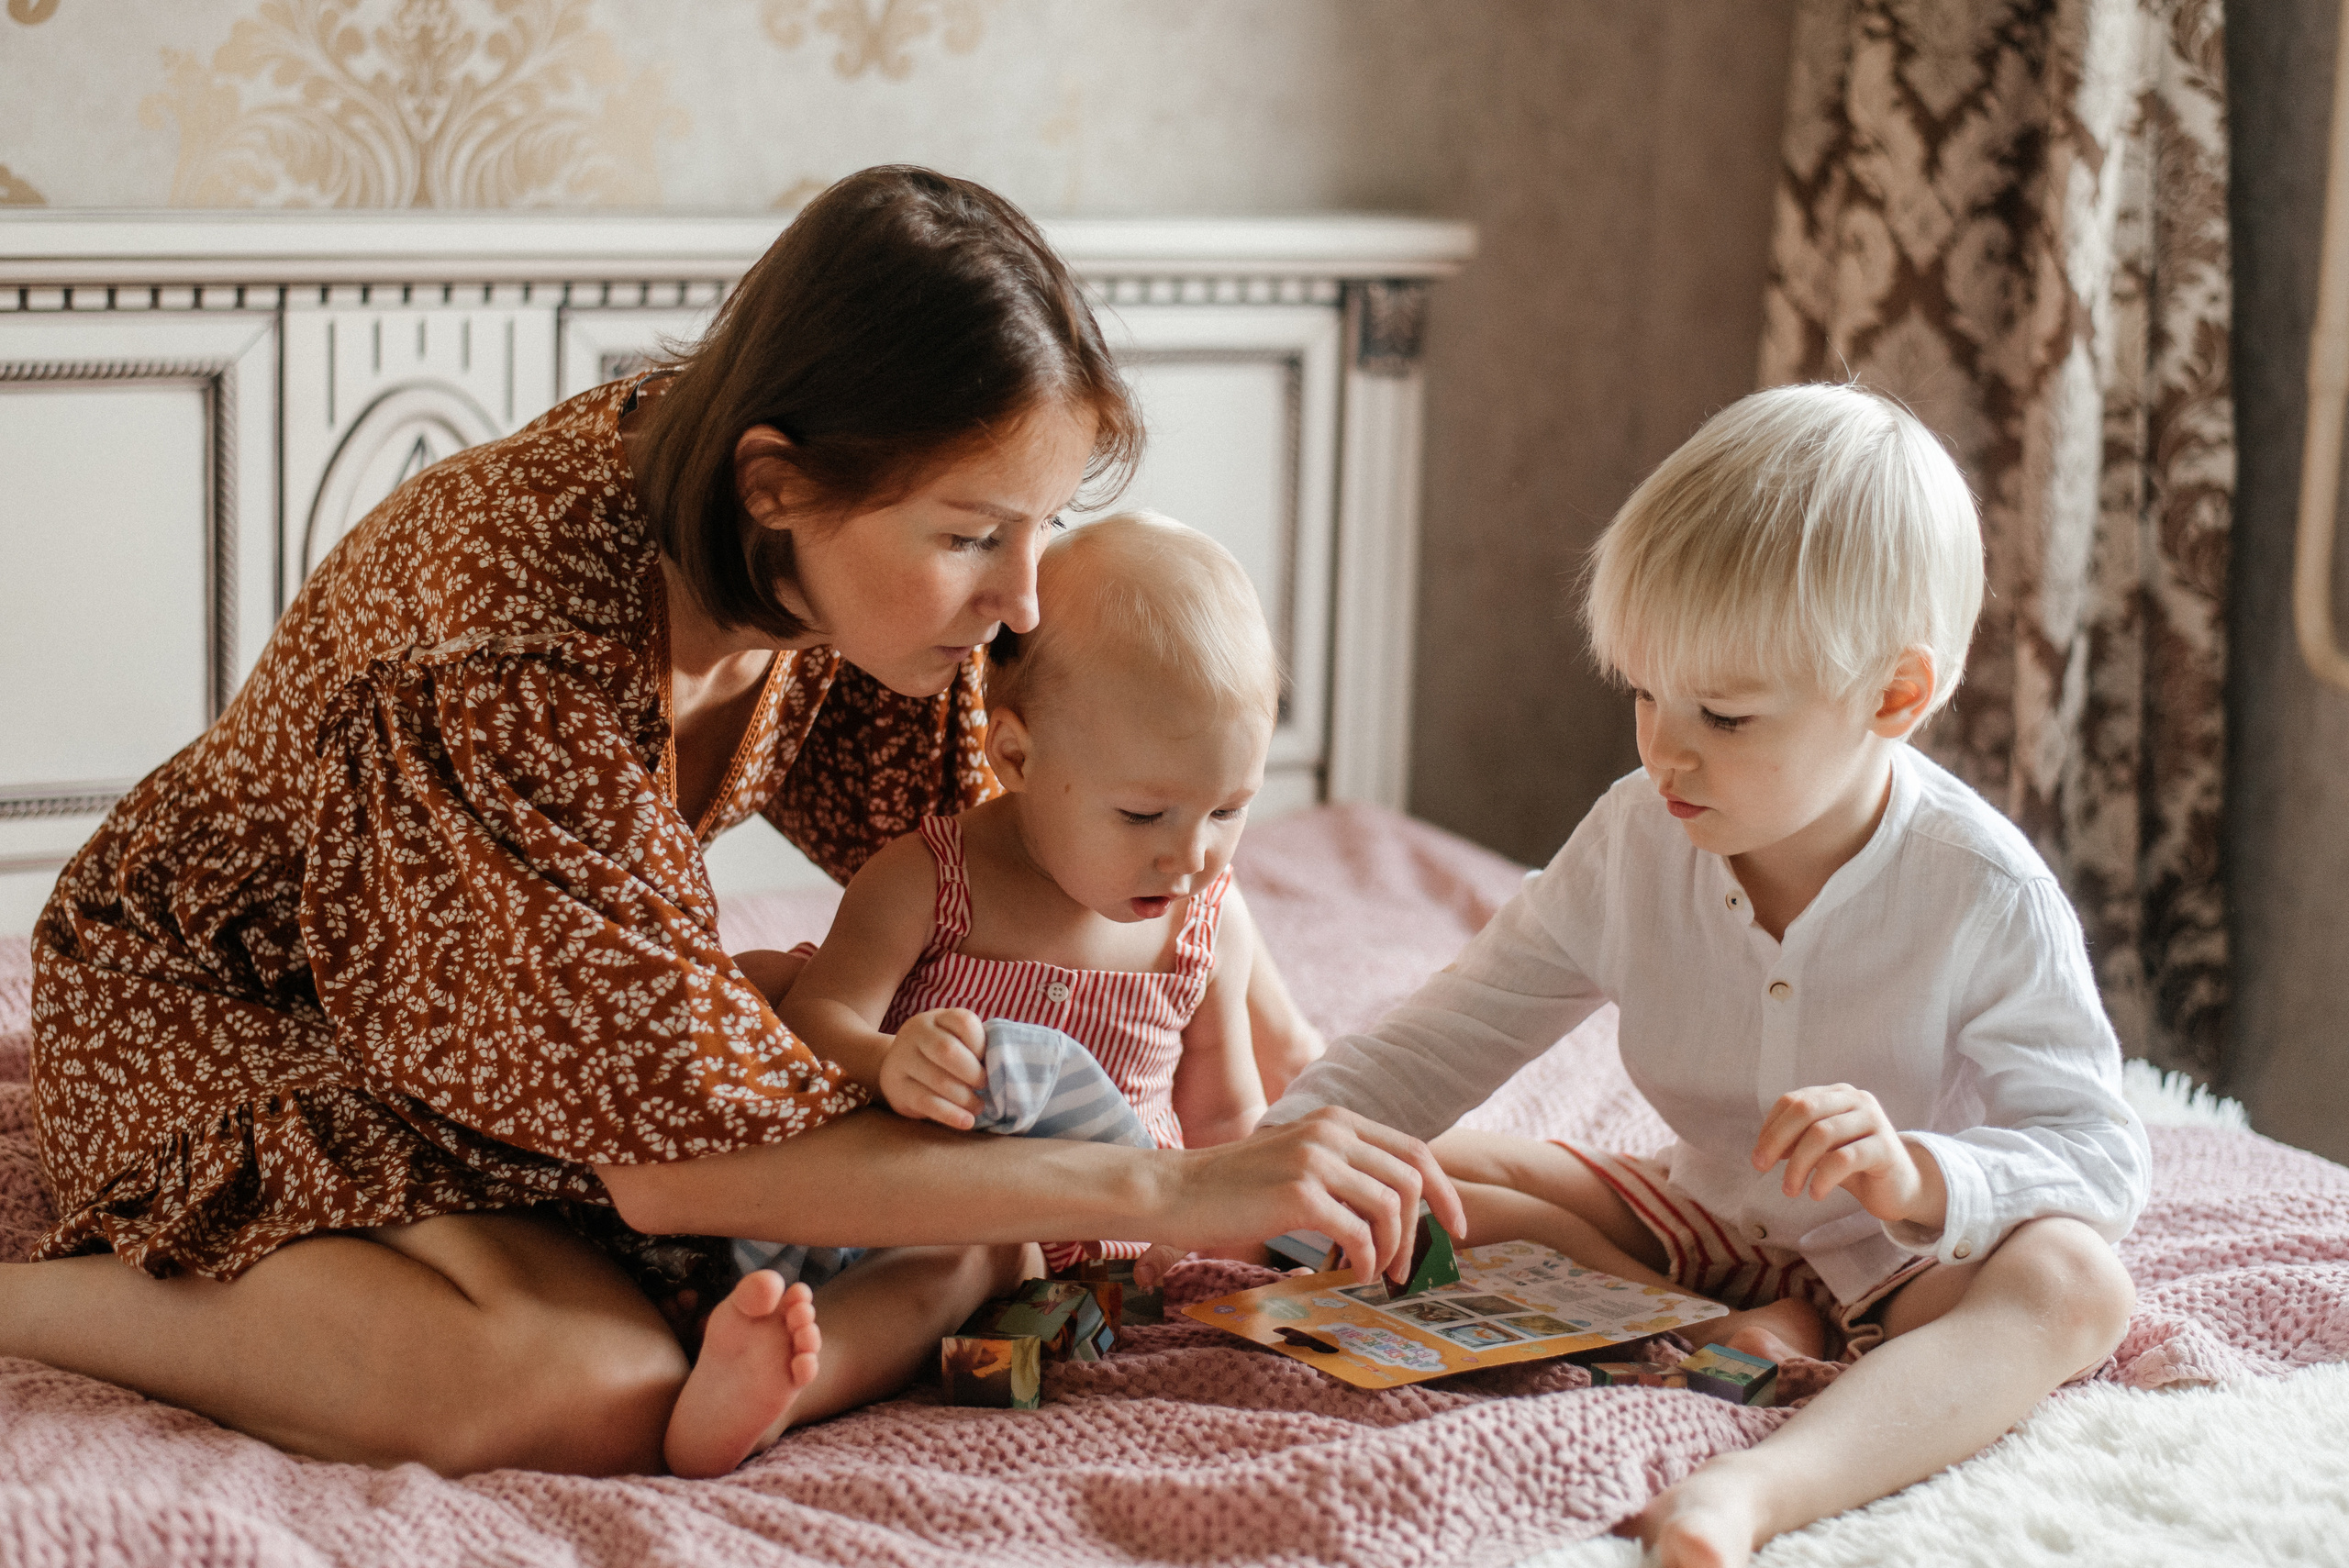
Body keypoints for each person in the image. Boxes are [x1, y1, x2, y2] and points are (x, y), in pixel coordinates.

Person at [15, 166, 1458, 1478]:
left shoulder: (822, 568)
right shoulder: (507, 648)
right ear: (778, 482)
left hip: (483, 1044)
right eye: (973, 534)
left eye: (1042, 524)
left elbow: (1026, 863)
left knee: (947, 1221)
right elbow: (668, 1165)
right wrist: (1176, 1188)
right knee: (583, 1382)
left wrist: (1282, 1034)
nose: (1022, 600)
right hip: (236, 1014)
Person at [1255, 384, 2148, 1568]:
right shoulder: (1634, 837)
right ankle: (1736, 1326)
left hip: (1907, 1262)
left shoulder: (1983, 890)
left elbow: (2094, 1155)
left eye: (1723, 715)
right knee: (1384, 1164)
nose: (1663, 751)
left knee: (2076, 1280)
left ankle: (1757, 1486)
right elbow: (1443, 1038)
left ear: (1892, 696)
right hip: (1702, 1216)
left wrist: (1917, 1171)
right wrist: (1254, 1168)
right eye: (1644, 693)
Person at [664, 512, 1289, 1476]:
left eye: (1228, 809)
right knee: (963, 1260)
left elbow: (1224, 1118)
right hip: (941, 1208)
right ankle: (776, 1384)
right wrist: (890, 1059)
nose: (1190, 851)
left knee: (1016, 1292)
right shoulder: (929, 877)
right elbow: (810, 1023)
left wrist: (1235, 1238)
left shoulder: (1206, 918)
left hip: (1101, 1273)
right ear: (1017, 757)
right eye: (1142, 812)